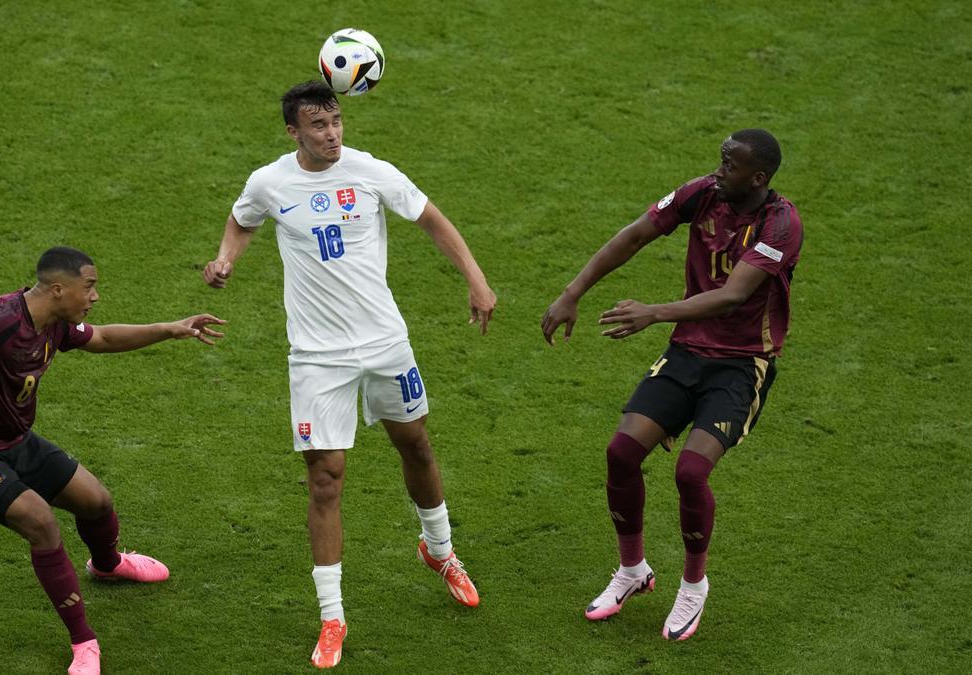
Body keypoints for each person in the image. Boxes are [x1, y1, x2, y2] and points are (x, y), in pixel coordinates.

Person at [203, 81, 497, 668]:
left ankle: (439, 551)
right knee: (326, 478)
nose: (331, 133)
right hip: (316, 358)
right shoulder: (270, 183)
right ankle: (332, 616)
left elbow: (433, 220)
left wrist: (476, 278)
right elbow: (241, 220)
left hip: (386, 344)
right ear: (293, 132)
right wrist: (226, 259)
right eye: (317, 124)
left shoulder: (371, 172)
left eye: (335, 120)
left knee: (415, 445)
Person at [541, 129, 802, 641]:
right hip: (686, 355)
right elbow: (635, 234)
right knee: (620, 453)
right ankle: (633, 571)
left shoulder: (780, 224)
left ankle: (693, 585)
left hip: (742, 365)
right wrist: (573, 292)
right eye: (721, 159)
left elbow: (732, 296)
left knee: (690, 471)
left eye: (731, 164)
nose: (718, 169)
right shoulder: (702, 192)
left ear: (759, 177)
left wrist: (653, 313)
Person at [0, 246, 225, 675]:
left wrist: (169, 329)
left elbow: (101, 337)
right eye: (90, 286)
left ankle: (108, 565)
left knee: (96, 500)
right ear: (58, 289)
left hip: (13, 440)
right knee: (40, 522)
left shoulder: (56, 322)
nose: (94, 296)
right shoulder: (0, 319)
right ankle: (83, 641)